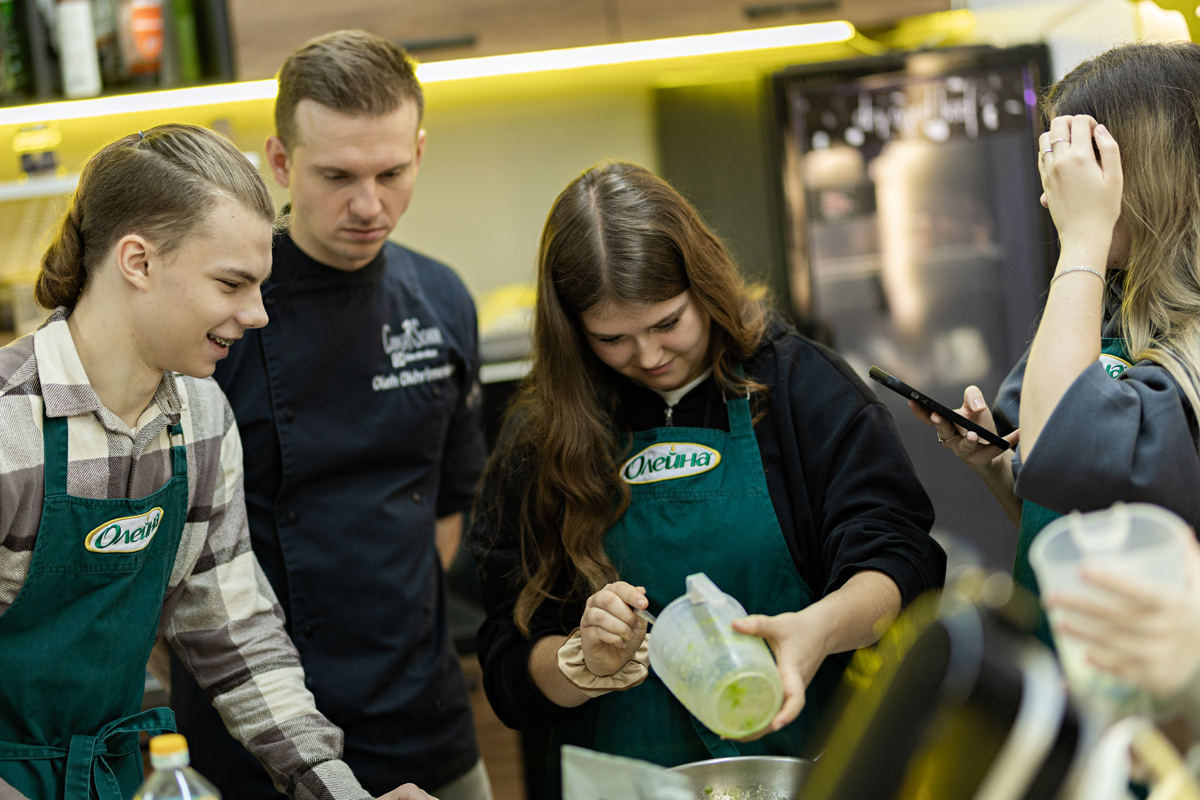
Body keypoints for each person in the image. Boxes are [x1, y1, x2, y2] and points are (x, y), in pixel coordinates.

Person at [467, 161, 946, 796]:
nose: (648, 356)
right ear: (573, 331)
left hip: (804, 774)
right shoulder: (540, 438)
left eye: (667, 323)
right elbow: (506, 660)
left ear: (706, 286)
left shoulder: (804, 388)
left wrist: (820, 628)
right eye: (612, 338)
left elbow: (901, 561)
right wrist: (578, 663)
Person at [0, 124, 432, 800]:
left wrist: (340, 793)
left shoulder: (200, 419)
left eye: (260, 286)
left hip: (113, 777)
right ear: (138, 261)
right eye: (232, 283)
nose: (257, 314)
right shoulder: (9, 431)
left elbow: (238, 640)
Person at [167, 30, 489, 800]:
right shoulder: (217, 322)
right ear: (280, 162)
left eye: (392, 173)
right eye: (337, 176)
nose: (369, 205)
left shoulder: (443, 300)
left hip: (424, 721)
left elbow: (444, 509)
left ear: (418, 151)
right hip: (260, 740)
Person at [910, 42, 1200, 643]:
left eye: (1080, 171)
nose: (1051, 200)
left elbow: (1064, 437)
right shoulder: (1113, 308)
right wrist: (1000, 469)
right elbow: (1072, 496)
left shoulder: (1189, 345)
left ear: (1146, 174)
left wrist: (1085, 234)